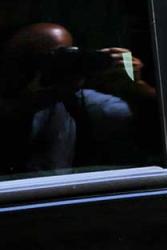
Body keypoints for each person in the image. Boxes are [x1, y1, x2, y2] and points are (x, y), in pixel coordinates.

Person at [0, 23, 157, 174]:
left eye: (69, 58)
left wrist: (135, 88)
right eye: (54, 60)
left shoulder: (71, 103)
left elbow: (153, 122)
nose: (63, 67)